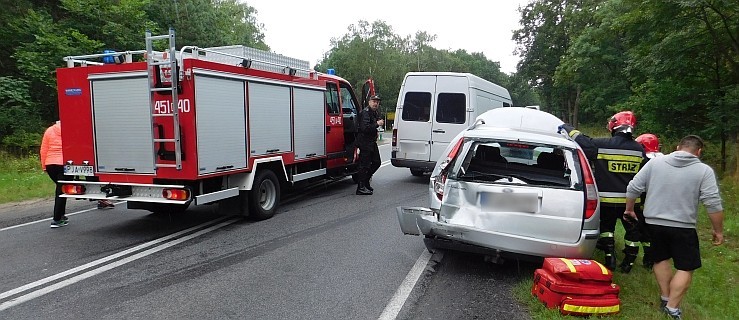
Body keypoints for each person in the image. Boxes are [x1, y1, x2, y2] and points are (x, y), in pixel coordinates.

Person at [624, 135, 724, 320]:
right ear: (699, 151)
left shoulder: (655, 164)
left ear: (678, 147)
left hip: (653, 223)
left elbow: (633, 187)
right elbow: (713, 203)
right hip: (683, 226)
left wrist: (629, 209)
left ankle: (665, 297)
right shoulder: (704, 171)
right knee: (686, 267)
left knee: (660, 259)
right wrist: (718, 230)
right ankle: (672, 308)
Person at [559, 111, 646, 270]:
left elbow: (583, 142)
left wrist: (567, 128)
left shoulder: (602, 144)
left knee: (607, 229)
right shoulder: (639, 149)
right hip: (630, 203)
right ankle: (628, 263)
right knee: (632, 234)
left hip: (607, 201)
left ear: (614, 125)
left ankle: (609, 258)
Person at [40, 121, 114, 228]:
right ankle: (57, 219)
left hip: (50, 164)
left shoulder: (49, 130)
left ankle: (61, 216)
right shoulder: (70, 130)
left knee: (60, 189)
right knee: (61, 191)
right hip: (64, 164)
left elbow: (43, 150)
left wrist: (44, 166)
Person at [619, 133, 665, 272]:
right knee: (648, 233)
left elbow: (637, 183)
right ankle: (649, 259)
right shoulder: (665, 159)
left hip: (642, 200)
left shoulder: (644, 160)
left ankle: (629, 261)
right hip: (659, 203)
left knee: (634, 230)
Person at [355, 95, 384, 195]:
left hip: (371, 142)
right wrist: (377, 124)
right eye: (374, 101)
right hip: (365, 142)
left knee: (377, 162)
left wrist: (379, 122)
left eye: (377, 102)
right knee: (364, 165)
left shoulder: (374, 112)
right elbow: (365, 128)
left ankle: (366, 181)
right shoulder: (365, 113)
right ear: (369, 102)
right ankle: (361, 187)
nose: (376, 103)